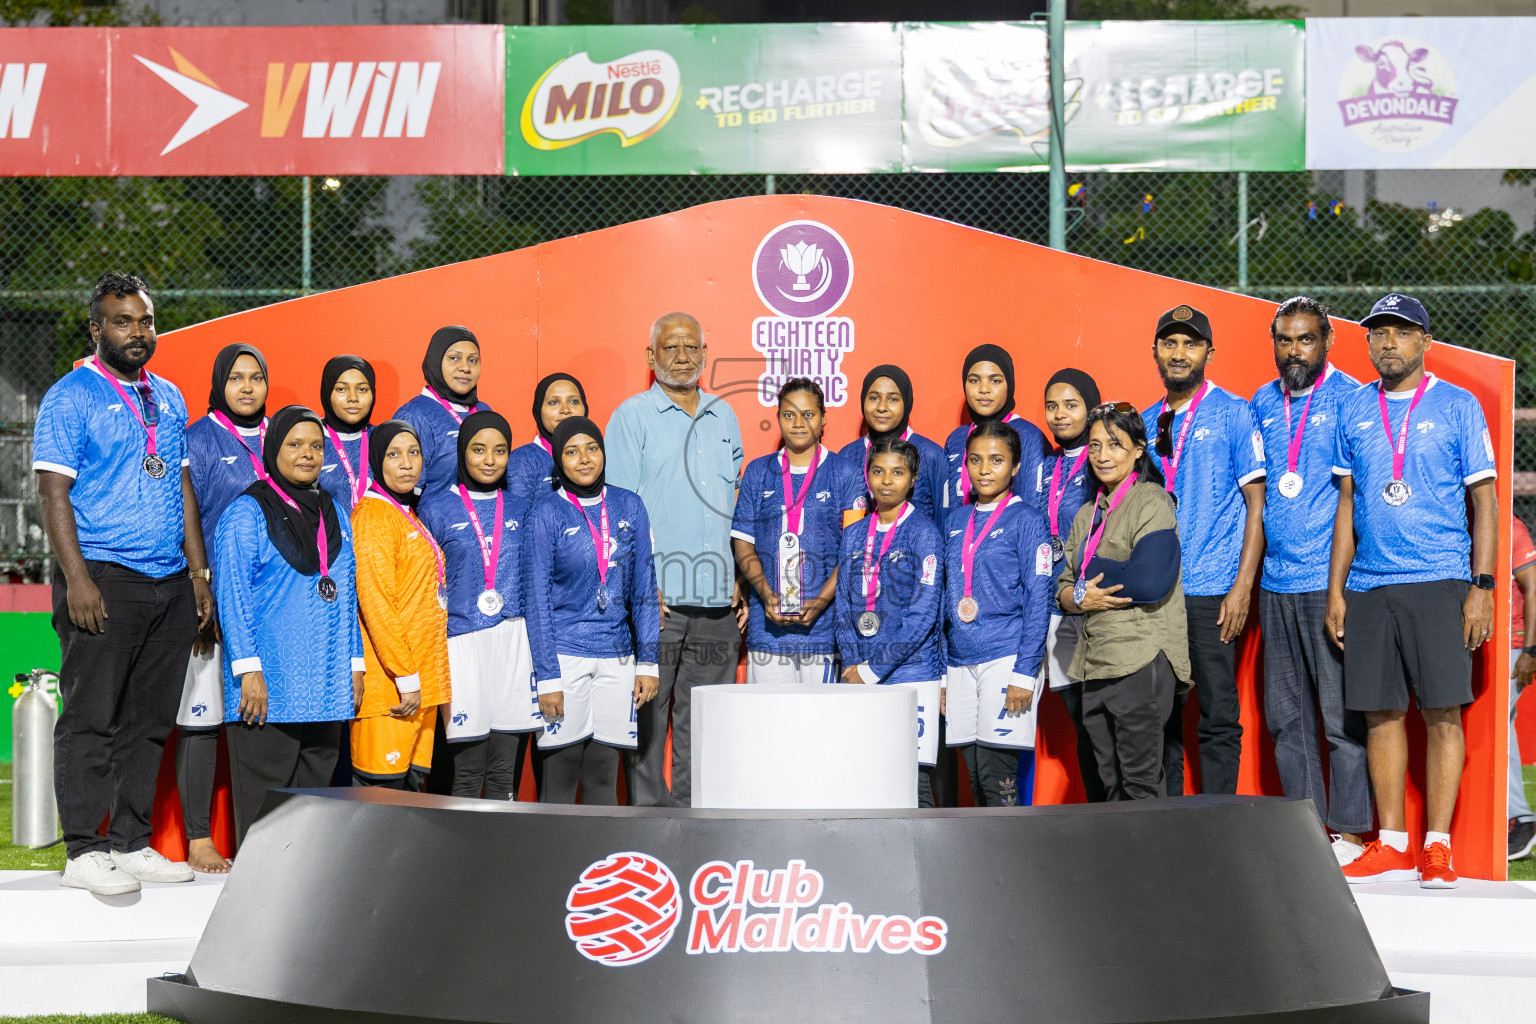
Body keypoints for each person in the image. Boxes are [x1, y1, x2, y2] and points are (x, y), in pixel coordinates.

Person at [33, 272, 210, 895]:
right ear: (97, 328)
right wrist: (77, 580)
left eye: (144, 321)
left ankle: (132, 841)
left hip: (168, 582)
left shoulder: (168, 395)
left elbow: (181, 484)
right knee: (91, 717)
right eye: (122, 321)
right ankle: (83, 848)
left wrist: (197, 572)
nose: (137, 332)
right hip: (104, 575)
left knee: (150, 720)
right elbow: (52, 491)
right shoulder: (70, 395)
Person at [1329, 293, 1497, 890]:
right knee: (1380, 714)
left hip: (1440, 576)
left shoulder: (1458, 405)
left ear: (1425, 341)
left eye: (1401, 333)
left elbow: (1484, 501)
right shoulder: (1354, 409)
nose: (1388, 343)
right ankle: (1394, 841)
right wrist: (1337, 589)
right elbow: (1347, 506)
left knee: (1443, 712)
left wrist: (1482, 587)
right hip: (1371, 583)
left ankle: (1438, 845)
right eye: (1379, 333)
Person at [1250, 297, 1371, 865]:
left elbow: (1359, 496)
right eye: (1284, 341)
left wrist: (1343, 586)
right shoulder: (1261, 402)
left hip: (1329, 582)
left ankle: (1349, 831)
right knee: (1285, 715)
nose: (1294, 351)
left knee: (1341, 712)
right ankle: (1308, 829)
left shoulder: (1351, 399)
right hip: (1276, 582)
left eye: (1305, 339)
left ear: (1327, 340)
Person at [605, 311, 744, 808]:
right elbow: (617, 516)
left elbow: (736, 505)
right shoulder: (630, 417)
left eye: (691, 348)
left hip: (718, 602)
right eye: (670, 348)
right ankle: (648, 824)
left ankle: (695, 823)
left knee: (704, 723)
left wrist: (737, 575)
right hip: (656, 602)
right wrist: (640, 588)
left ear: (705, 354)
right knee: (647, 722)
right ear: (651, 356)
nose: (682, 357)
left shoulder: (724, 415)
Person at [214, 405, 362, 846]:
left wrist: (354, 665)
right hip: (268, 687)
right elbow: (233, 597)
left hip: (325, 685)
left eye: (316, 446)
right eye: (295, 444)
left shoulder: (335, 510)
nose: (307, 454)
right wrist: (247, 671)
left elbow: (348, 593)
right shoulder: (245, 513)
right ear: (274, 448)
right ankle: (257, 907)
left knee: (314, 814)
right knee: (267, 819)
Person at [1140, 304, 1265, 796]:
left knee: (1217, 715)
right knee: (1161, 717)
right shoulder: (1145, 422)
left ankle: (1218, 827)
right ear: (1154, 351)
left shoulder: (1234, 412)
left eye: (1190, 344)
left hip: (1212, 589)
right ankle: (1167, 826)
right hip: (1155, 595)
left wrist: (1241, 587)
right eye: (1169, 343)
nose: (1179, 353)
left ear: (1208, 353)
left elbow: (1257, 503)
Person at [1056, 404, 1189, 800]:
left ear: (1138, 450)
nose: (1102, 454)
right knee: (1111, 784)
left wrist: (1088, 578)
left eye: (1115, 444)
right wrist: (1081, 594)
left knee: (1140, 781)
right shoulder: (1086, 515)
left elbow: (1148, 582)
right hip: (1094, 663)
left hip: (1141, 657)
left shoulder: (1151, 500)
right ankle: (1122, 863)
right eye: (1095, 445)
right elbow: (1063, 589)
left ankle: (1154, 864)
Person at [526, 417, 661, 804]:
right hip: (564, 656)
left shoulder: (629, 505)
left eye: (592, 448)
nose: (584, 459)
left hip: (617, 658)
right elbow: (536, 599)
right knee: (561, 776)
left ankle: (600, 865)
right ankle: (555, 865)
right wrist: (548, 677)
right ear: (558, 459)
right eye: (571, 451)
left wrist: (647, 661)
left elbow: (644, 587)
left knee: (604, 776)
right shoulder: (547, 511)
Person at [177, 342, 270, 874]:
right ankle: (198, 838)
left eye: (256, 377)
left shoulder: (281, 436)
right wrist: (197, 588)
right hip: (213, 600)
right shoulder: (200, 438)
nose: (247, 386)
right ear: (220, 383)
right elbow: (185, 518)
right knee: (202, 715)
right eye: (236, 377)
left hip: (270, 605)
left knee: (258, 721)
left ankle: (258, 837)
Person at [419, 411, 540, 800]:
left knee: (505, 773)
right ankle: (465, 860)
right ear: (462, 452)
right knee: (468, 773)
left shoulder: (523, 508)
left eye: (500, 450)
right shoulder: (435, 508)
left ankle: (503, 859)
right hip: (460, 642)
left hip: (514, 642)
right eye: (478, 449)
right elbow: (426, 586)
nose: (489, 460)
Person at [941, 420, 1053, 807]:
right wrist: (942, 672)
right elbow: (945, 598)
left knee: (996, 775)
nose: (984, 469)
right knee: (972, 772)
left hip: (1005, 659)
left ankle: (1009, 861)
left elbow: (1040, 597)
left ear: (1016, 466)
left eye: (996, 460)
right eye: (975, 460)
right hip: (958, 662)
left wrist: (1025, 670)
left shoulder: (1027, 520)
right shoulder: (956, 521)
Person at [835, 436, 945, 806]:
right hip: (860, 674)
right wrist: (853, 664)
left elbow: (922, 614)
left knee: (913, 780)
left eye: (897, 472)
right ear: (866, 476)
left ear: (912, 479)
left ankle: (922, 862)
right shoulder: (852, 533)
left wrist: (873, 669)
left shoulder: (924, 533)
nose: (886, 480)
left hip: (911, 674)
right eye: (878, 471)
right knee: (869, 775)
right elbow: (844, 606)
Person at [733, 378, 864, 684]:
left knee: (819, 726)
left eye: (808, 414)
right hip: (768, 631)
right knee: (769, 724)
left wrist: (820, 602)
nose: (798, 423)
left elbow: (853, 550)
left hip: (824, 629)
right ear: (777, 418)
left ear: (823, 420)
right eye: (789, 415)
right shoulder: (757, 472)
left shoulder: (846, 473)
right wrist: (765, 595)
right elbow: (743, 544)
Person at [350, 420, 451, 790]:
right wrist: (406, 678)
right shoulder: (373, 518)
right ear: (377, 461)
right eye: (394, 455)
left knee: (411, 803)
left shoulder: (404, 510)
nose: (406, 463)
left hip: (419, 687)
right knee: (381, 806)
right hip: (391, 691)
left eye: (413, 453)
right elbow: (377, 606)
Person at [1034, 368, 1106, 802]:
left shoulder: (1103, 460)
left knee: (1104, 718)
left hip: (1096, 606)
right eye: (1051, 406)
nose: (1059, 415)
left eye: (1071, 404)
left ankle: (1123, 819)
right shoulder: (1043, 467)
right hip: (1054, 610)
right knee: (1082, 721)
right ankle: (1098, 816)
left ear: (1092, 407)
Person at [836, 365, 949, 527]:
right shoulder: (847, 455)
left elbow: (943, 520)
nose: (882, 407)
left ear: (907, 402)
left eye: (893, 399)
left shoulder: (931, 454)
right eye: (874, 398)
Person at [943, 344, 1049, 509]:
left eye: (995, 380)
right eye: (974, 380)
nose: (984, 389)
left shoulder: (1028, 436)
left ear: (1009, 384)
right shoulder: (956, 439)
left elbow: (1033, 505)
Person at [392, 325, 487, 496]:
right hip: (431, 521)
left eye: (473, 360)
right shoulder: (413, 416)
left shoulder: (483, 411)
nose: (465, 367)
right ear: (435, 361)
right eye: (454, 358)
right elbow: (407, 494)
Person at [507, 372, 587, 505]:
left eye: (573, 401)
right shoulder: (522, 459)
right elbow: (518, 518)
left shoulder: (596, 455)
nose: (565, 410)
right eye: (554, 402)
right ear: (539, 410)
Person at [1508, 516, 1536, 861]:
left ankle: (1520, 819)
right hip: (1489, 643)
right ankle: (1518, 817)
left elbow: (1533, 588)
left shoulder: (1511, 526)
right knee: (1502, 730)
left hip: (1512, 645)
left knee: (1500, 731)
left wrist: (1530, 650)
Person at [318, 355, 376, 511]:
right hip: (324, 534)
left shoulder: (383, 439)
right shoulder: (310, 437)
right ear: (327, 390)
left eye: (362, 389)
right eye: (342, 389)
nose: (353, 398)